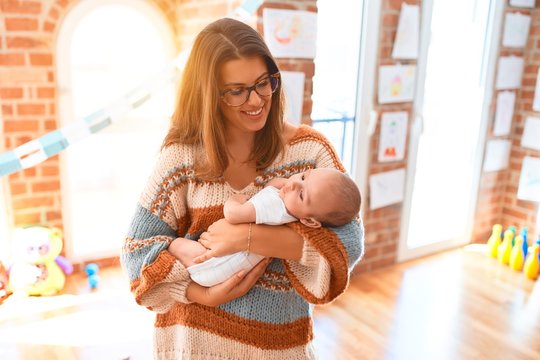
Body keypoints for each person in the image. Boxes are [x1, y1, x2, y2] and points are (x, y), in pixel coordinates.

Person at [121, 17, 364, 359]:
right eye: (237, 91)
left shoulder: (309, 152)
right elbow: (136, 252)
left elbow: (347, 244)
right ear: (209, 95)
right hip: (192, 346)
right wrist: (201, 293)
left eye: (263, 83)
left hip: (277, 349)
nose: (256, 101)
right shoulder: (180, 156)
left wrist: (247, 237)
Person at [176, 168, 361, 287]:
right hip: (225, 270)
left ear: (310, 222)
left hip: (213, 265)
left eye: (302, 194)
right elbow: (272, 185)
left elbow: (234, 215)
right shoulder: (293, 209)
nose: (295, 182)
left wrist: (236, 200)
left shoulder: (275, 206)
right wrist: (290, 185)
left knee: (176, 245)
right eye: (304, 176)